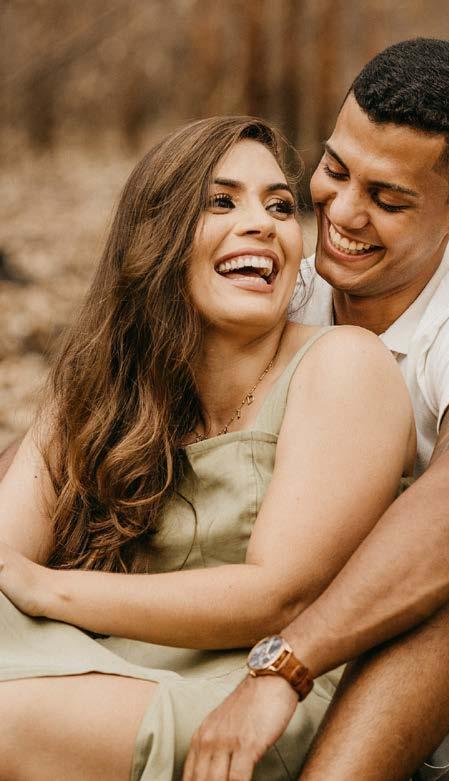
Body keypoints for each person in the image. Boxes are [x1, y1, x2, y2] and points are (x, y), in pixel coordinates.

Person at [183, 40, 449, 780]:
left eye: (388, 198)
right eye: (336, 169)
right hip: (325, 693)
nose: (343, 211)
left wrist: (284, 666)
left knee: (443, 564)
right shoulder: (285, 290)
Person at [0, 116, 416, 780]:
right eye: (221, 201)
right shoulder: (98, 382)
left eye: (279, 206)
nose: (263, 224)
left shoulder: (344, 364)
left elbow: (276, 597)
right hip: (94, 662)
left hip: (250, 699)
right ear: (154, 236)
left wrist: (47, 589)